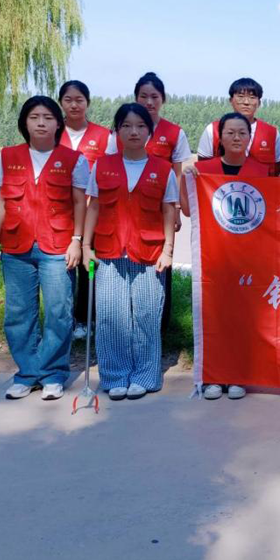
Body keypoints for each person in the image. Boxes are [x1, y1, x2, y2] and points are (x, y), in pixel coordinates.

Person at [0, 96, 88, 400]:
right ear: (25, 123)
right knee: (19, 313)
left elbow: (80, 203)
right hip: (16, 246)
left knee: (58, 311)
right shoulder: (8, 156)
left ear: (58, 124)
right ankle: (28, 373)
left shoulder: (74, 159)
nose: (41, 123)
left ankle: (53, 373)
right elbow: (2, 201)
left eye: (48, 117)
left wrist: (77, 241)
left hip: (57, 246)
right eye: (34, 117)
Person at [84, 103, 177, 401]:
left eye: (140, 126)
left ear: (150, 131)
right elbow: (93, 207)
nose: (134, 132)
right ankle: (115, 376)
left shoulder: (163, 169)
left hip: (149, 253)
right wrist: (85, 246)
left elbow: (168, 210)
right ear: (117, 131)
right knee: (111, 316)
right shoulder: (102, 165)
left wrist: (168, 250)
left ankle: (145, 376)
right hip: (109, 251)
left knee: (147, 315)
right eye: (126, 126)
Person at [182, 113, 268, 400]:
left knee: (244, 317)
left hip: (249, 257)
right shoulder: (203, 170)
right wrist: (186, 180)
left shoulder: (261, 171)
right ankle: (213, 376)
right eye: (230, 132)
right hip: (214, 255)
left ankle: (238, 374)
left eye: (242, 133)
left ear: (249, 138)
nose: (236, 138)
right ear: (220, 137)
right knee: (214, 315)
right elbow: (187, 209)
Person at [108, 72, 190, 337]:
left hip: (160, 209)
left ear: (163, 99)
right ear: (136, 98)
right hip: (124, 209)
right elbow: (109, 168)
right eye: (143, 96)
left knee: (160, 263)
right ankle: (122, 325)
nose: (149, 102)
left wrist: (176, 210)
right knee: (122, 262)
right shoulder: (118, 131)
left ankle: (157, 326)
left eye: (154, 96)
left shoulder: (174, 132)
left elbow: (177, 174)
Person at [57, 80, 109, 341]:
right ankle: (64, 319)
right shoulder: (53, 132)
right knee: (64, 266)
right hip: (59, 212)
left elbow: (110, 172)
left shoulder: (104, 136)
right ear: (61, 103)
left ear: (87, 102)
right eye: (68, 100)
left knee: (89, 266)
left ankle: (88, 318)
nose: (74, 105)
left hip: (93, 213)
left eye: (79, 99)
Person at [196, 77, 280, 175]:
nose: (246, 102)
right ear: (231, 100)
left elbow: (277, 172)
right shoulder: (212, 130)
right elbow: (202, 171)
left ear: (259, 103)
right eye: (240, 96)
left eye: (252, 97)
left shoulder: (272, 134)